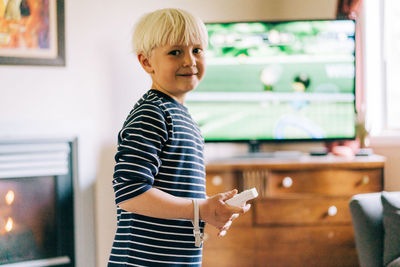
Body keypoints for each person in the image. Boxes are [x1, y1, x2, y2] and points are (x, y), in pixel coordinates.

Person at [108, 8, 251, 267]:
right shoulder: (152, 113)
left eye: (197, 50)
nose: (190, 60)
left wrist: (211, 210)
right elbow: (129, 192)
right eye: (175, 52)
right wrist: (199, 207)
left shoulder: (182, 117)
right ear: (147, 62)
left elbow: (181, 196)